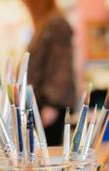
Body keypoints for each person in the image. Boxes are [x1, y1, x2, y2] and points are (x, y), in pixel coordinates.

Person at [22, 0, 75, 145]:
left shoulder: (56, 24)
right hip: (41, 104)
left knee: (49, 156)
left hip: (50, 107)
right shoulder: (45, 24)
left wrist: (53, 104)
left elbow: (61, 66)